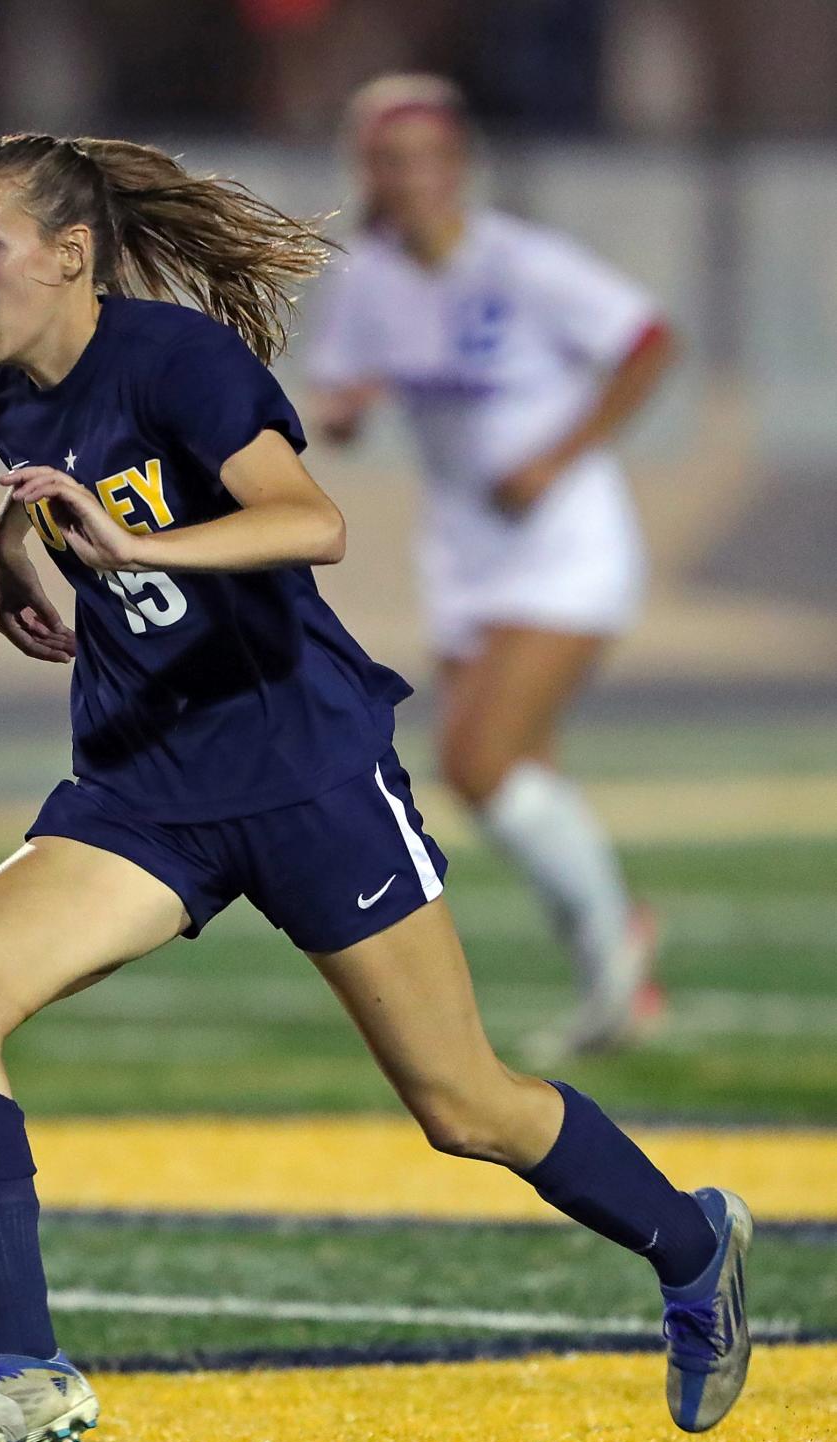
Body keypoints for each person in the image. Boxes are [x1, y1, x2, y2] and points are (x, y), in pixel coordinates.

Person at [0, 130, 750, 1442]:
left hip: (303, 769)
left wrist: (133, 549)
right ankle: (19, 1366)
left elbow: (310, 521)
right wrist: (17, 547)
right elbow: (71, 498)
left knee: (464, 1106)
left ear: (69, 253)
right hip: (144, 783)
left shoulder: (178, 360)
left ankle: (689, 1244)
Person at [305, 74, 677, 1061]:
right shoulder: (370, 281)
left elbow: (646, 340)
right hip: (466, 555)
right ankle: (617, 968)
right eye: (392, 160)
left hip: (565, 545)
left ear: (460, 166)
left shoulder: (521, 263)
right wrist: (342, 415)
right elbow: (341, 400)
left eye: (431, 158)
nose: (414, 178)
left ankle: (616, 958)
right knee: (518, 775)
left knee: (476, 763)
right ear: (369, 172)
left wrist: (559, 456)